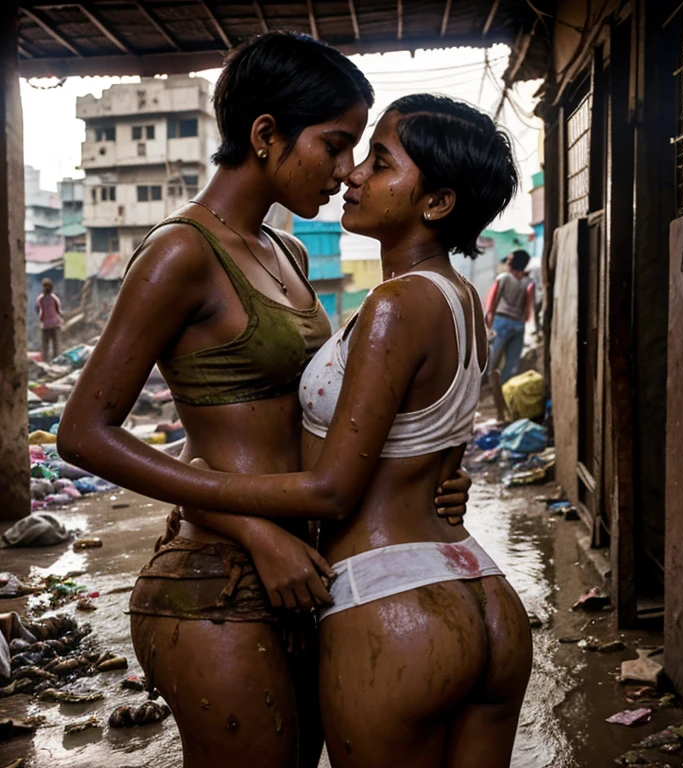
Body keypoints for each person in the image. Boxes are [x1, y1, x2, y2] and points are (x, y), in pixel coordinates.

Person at [57, 35, 469, 768]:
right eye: (335, 145)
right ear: (266, 135)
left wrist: (420, 476)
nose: (346, 172)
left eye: (359, 152)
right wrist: (256, 531)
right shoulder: (180, 253)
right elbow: (84, 434)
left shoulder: (291, 253)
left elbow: (299, 421)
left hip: (308, 574)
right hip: (215, 581)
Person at [182, 94, 533, 768]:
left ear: (435, 203)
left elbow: (331, 491)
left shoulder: (394, 305)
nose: (352, 175)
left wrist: (203, 488)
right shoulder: (460, 299)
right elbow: (431, 456)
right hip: (483, 595)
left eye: (379, 162)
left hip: (391, 604)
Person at [485, 249, 535, 384]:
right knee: (512, 360)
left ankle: (487, 383)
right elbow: (528, 306)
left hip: (501, 321)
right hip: (518, 324)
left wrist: (488, 320)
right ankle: (504, 386)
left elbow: (492, 301)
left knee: (492, 357)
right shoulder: (529, 281)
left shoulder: (503, 278)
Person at [36, 277, 63, 361]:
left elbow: (57, 310)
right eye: (45, 286)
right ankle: (48, 362)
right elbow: (58, 310)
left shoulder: (52, 298)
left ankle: (54, 361)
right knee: (46, 347)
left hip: (52, 325)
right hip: (47, 326)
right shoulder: (41, 299)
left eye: (47, 286)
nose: (46, 288)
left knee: (54, 346)